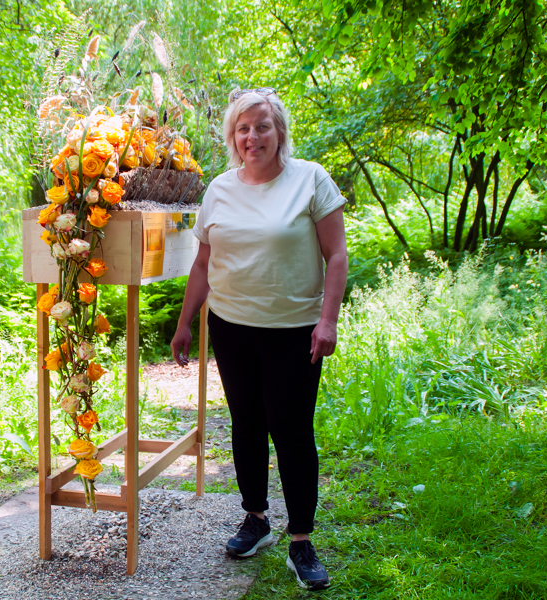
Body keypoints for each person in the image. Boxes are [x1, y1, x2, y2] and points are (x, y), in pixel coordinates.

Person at [169, 87, 348, 591]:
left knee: (291, 432)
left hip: (294, 330)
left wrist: (327, 320)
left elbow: (336, 255)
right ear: (233, 136)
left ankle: (301, 540)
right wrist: (185, 323)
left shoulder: (311, 180)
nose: (253, 137)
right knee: (246, 425)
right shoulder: (220, 189)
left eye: (262, 126)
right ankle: (256, 519)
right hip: (231, 327)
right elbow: (203, 262)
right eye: (243, 129)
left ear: (279, 131)